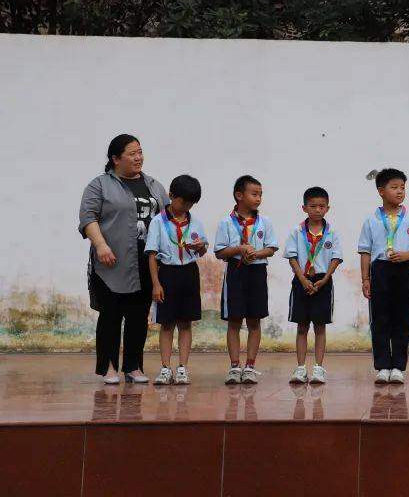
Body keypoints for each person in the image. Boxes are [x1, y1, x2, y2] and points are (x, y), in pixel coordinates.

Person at [78, 134, 168, 384]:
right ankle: (108, 368)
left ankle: (133, 366)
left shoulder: (153, 185)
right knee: (111, 316)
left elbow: (168, 218)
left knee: (139, 317)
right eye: (132, 153)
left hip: (146, 263)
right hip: (112, 263)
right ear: (115, 159)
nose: (138, 157)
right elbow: (88, 218)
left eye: (140, 152)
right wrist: (101, 245)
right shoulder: (99, 185)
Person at [359, 168, 409, 384]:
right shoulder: (371, 220)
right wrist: (365, 279)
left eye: (403, 188)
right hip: (380, 270)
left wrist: (408, 255)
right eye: (394, 187)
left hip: (404, 270)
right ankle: (382, 366)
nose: (400, 192)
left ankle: (398, 366)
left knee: (403, 318)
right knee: (380, 318)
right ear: (381, 191)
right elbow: (365, 252)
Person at [214, 175, 278, 385]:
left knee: (254, 320)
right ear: (239, 195)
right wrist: (239, 249)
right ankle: (234, 366)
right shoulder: (226, 222)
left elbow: (271, 248)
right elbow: (220, 252)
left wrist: (257, 254)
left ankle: (250, 366)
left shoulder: (264, 222)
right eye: (254, 194)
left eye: (260, 194)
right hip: (235, 273)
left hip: (257, 272)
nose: (258, 198)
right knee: (234, 321)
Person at [146, 175, 207, 386]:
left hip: (189, 273)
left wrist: (200, 247)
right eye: (183, 202)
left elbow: (203, 249)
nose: (186, 207)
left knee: (186, 323)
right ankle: (165, 368)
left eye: (191, 203)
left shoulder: (195, 222)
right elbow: (152, 254)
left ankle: (182, 367)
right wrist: (156, 284)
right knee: (166, 324)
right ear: (171, 196)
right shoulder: (158, 222)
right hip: (167, 274)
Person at [284, 186, 344, 385]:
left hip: (323, 281)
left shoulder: (332, 232)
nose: (317, 210)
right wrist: (302, 279)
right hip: (301, 280)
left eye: (321, 206)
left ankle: (318, 368)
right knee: (302, 326)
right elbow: (292, 256)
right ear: (304, 207)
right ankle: (300, 368)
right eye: (313, 206)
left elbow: (336, 257)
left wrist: (326, 278)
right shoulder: (296, 231)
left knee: (320, 327)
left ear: (328, 208)